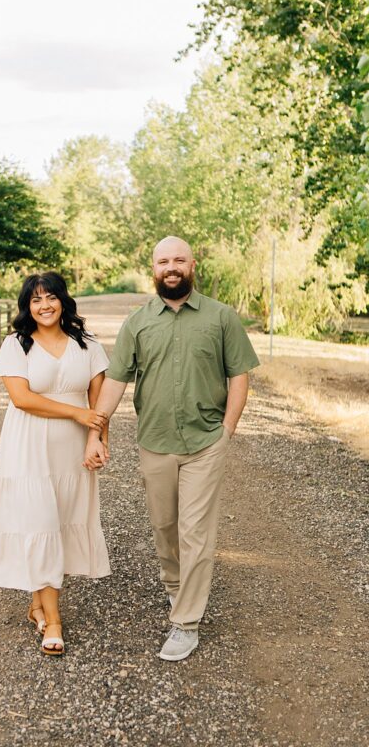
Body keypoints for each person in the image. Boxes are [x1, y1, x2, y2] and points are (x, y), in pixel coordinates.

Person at [84, 236, 259, 662]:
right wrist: (96, 429)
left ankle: (186, 624)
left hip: (205, 443)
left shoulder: (221, 318)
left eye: (179, 259)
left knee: (196, 532)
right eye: (164, 261)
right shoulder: (138, 323)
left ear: (192, 264)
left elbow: (239, 376)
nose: (172, 267)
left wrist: (228, 428)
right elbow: (115, 382)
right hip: (155, 442)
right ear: (154, 268)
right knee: (165, 528)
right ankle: (177, 590)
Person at [0, 271, 111, 655]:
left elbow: (99, 405)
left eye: (50, 297)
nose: (44, 305)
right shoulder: (15, 345)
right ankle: (53, 621)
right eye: (36, 300)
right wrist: (76, 414)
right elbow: (22, 398)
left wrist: (96, 441)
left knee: (59, 522)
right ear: (27, 306)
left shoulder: (87, 345)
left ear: (63, 301)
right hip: (27, 443)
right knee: (39, 522)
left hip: (71, 449)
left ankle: (37, 604)